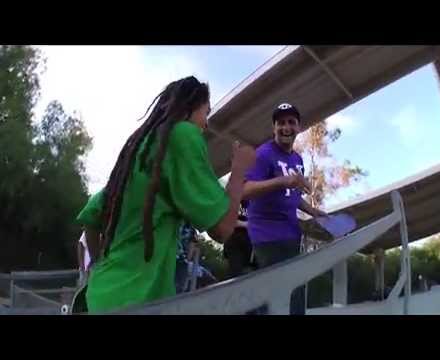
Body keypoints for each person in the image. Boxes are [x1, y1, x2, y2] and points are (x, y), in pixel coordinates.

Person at [76, 76, 255, 313]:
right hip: (136, 301)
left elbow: (92, 216)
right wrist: (239, 170)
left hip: (99, 295)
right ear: (189, 107)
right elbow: (222, 229)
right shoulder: (183, 135)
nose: (206, 125)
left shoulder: (139, 150)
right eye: (206, 113)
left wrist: (97, 265)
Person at [243, 103, 327, 315]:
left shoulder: (298, 159)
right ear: (274, 128)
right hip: (266, 237)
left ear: (299, 127)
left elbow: (294, 196)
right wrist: (282, 181)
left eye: (291, 122)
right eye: (281, 123)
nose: (286, 127)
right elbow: (245, 190)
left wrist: (316, 213)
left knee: (295, 295)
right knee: (271, 299)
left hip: (292, 235)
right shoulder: (262, 154)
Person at [223, 200, 256, 278]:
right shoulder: (232, 199)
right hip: (235, 241)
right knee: (236, 272)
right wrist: (248, 224)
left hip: (253, 241)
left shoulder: (257, 200)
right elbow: (226, 221)